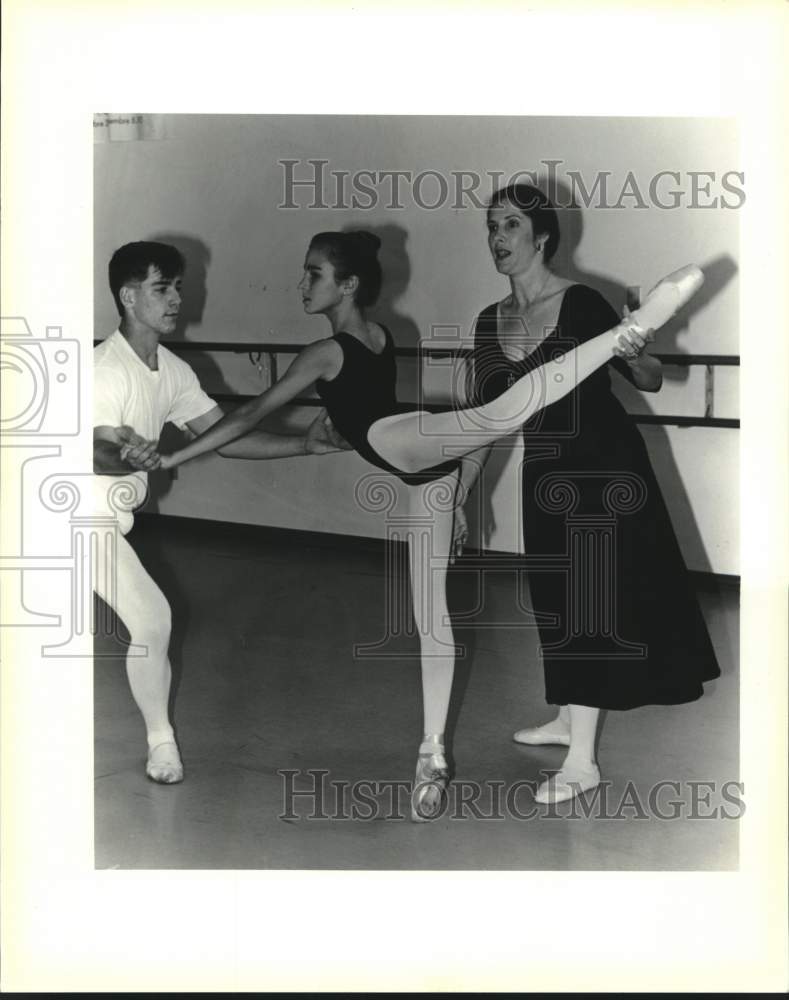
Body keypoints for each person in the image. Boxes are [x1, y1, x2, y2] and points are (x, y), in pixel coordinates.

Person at [158, 228, 706, 818]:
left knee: (499, 410)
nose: (302, 284)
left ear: (348, 285)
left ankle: (638, 324)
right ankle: (432, 751)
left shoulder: (327, 350)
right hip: (431, 471)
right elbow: (289, 426)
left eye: (313, 273)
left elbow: (252, 414)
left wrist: (172, 457)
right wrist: (315, 446)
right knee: (432, 615)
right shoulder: (376, 335)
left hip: (411, 444)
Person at [459, 184, 720, 804]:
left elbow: (650, 378)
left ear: (541, 236)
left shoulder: (581, 303)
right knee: (556, 597)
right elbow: (485, 415)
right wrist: (461, 494)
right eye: (492, 225)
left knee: (590, 606)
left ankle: (582, 764)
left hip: (605, 471)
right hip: (545, 473)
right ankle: (569, 718)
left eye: (511, 225)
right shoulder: (488, 322)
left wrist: (638, 349)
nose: (498, 237)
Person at [93, 240, 346, 785]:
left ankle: (159, 742)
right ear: (129, 296)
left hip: (108, 524)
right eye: (163, 288)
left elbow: (225, 439)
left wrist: (306, 444)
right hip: (62, 520)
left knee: (147, 621)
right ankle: (162, 742)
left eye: (179, 287)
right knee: (152, 619)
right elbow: (96, 450)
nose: (176, 298)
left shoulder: (175, 371)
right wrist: (124, 453)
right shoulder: (104, 370)